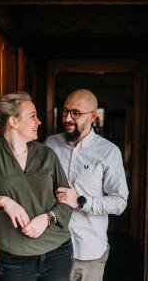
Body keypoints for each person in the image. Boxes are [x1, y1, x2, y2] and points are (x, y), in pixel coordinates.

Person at [0, 92, 73, 281]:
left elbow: (67, 200)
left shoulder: (47, 154)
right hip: (15, 261)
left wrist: (47, 218)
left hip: (58, 253)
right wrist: (4, 201)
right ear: (13, 121)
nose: (39, 122)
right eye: (33, 116)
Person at [44, 89, 129, 281]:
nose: (67, 118)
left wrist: (81, 202)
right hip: (51, 249)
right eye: (65, 111)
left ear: (93, 116)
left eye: (76, 113)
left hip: (89, 253)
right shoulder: (50, 144)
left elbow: (119, 202)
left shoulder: (109, 152)